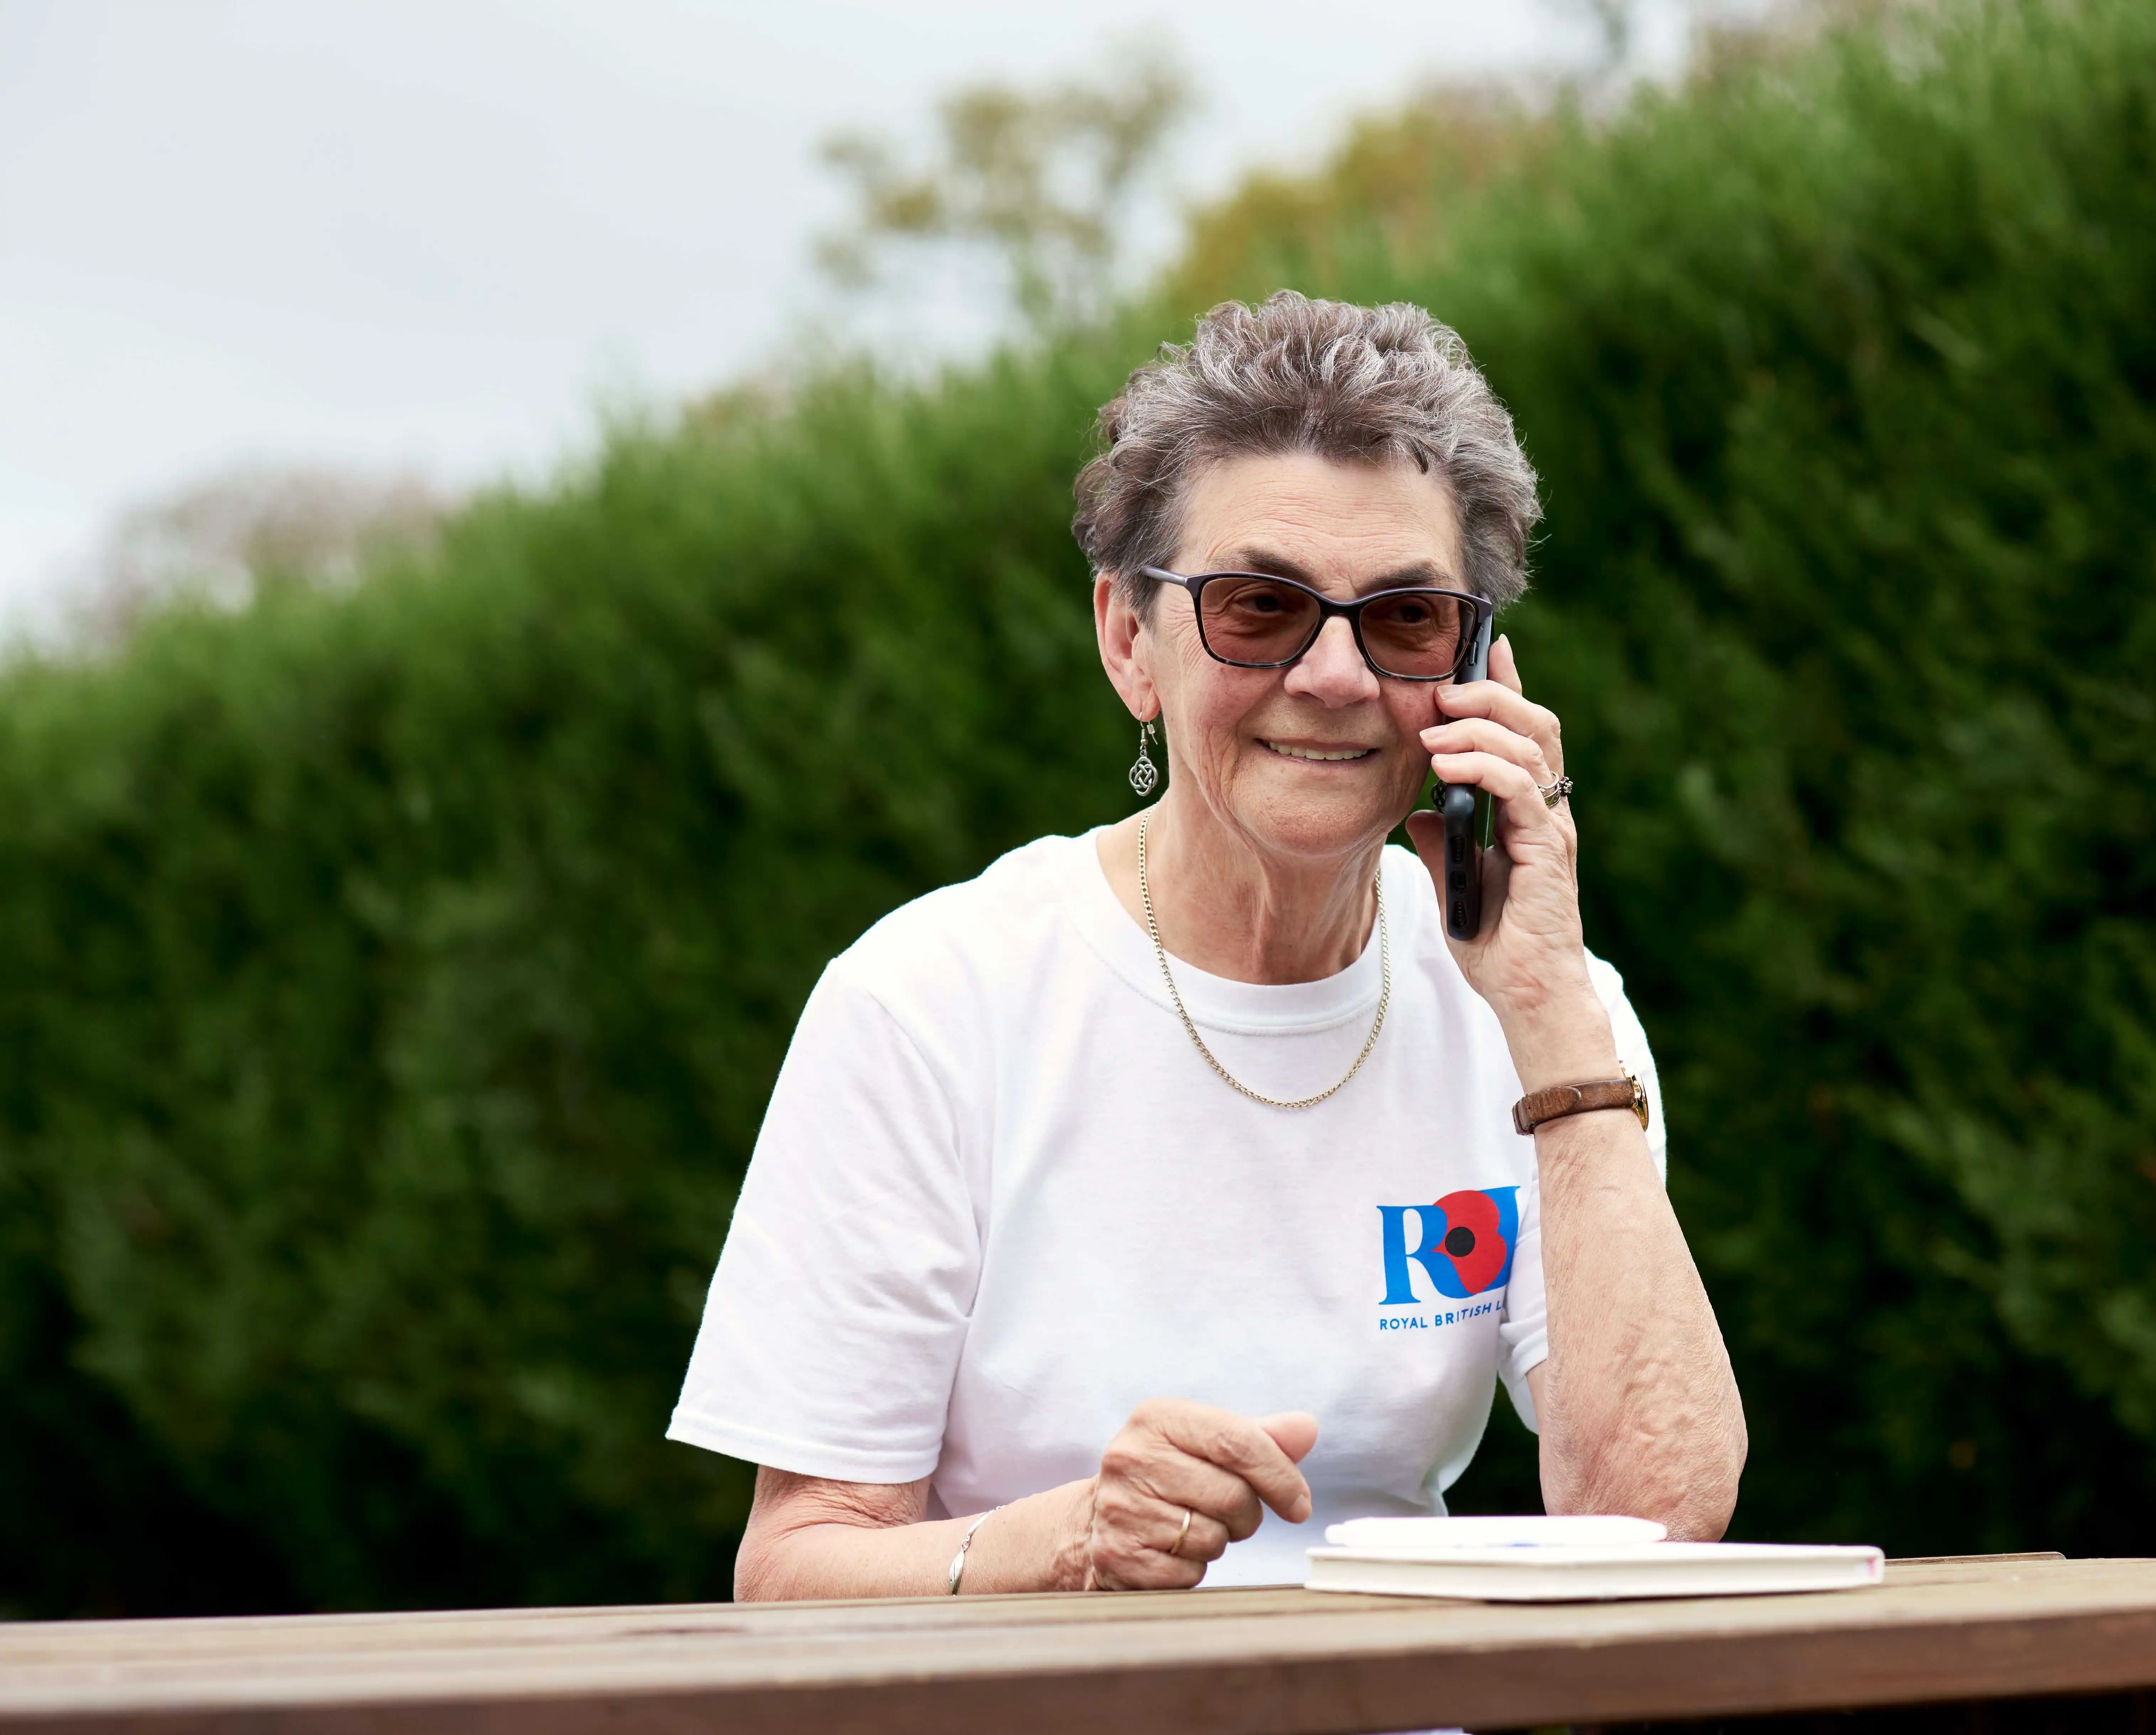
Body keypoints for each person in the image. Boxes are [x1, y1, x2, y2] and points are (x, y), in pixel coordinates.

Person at [669, 291, 1746, 1597]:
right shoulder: (931, 1000)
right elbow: (789, 1571)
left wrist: (1552, 1011)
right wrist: (1055, 1546)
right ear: (1131, 641)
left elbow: (1655, 1521)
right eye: (1257, 607)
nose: (1337, 676)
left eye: (1405, 620)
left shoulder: (1545, 1018)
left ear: (1474, 670)